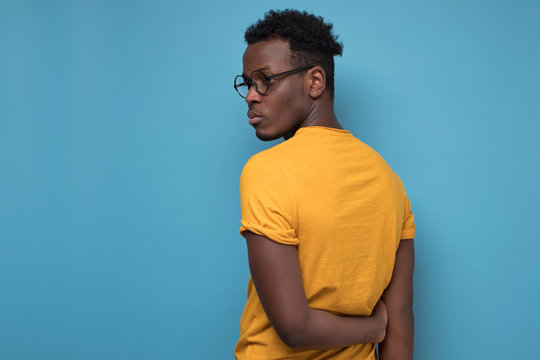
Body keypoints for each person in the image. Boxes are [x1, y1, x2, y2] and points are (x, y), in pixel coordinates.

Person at [233, 9, 415, 360]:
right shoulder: (389, 181)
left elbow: (295, 329)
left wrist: (372, 328)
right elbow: (401, 321)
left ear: (315, 82)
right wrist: (375, 327)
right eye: (247, 82)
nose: (251, 95)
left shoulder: (267, 170)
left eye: (265, 80)